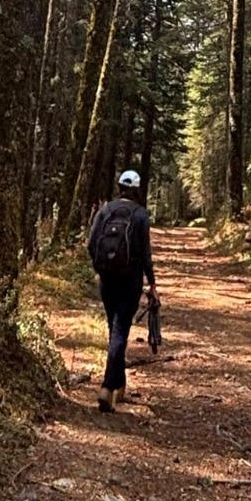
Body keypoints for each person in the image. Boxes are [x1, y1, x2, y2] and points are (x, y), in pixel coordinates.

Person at [86, 169, 159, 413]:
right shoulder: (140, 214)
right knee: (119, 331)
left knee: (114, 329)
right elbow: (146, 254)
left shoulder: (105, 210)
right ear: (136, 190)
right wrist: (152, 284)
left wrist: (101, 268)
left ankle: (119, 385)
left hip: (107, 279)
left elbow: (91, 243)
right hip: (130, 281)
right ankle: (107, 387)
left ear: (119, 187)